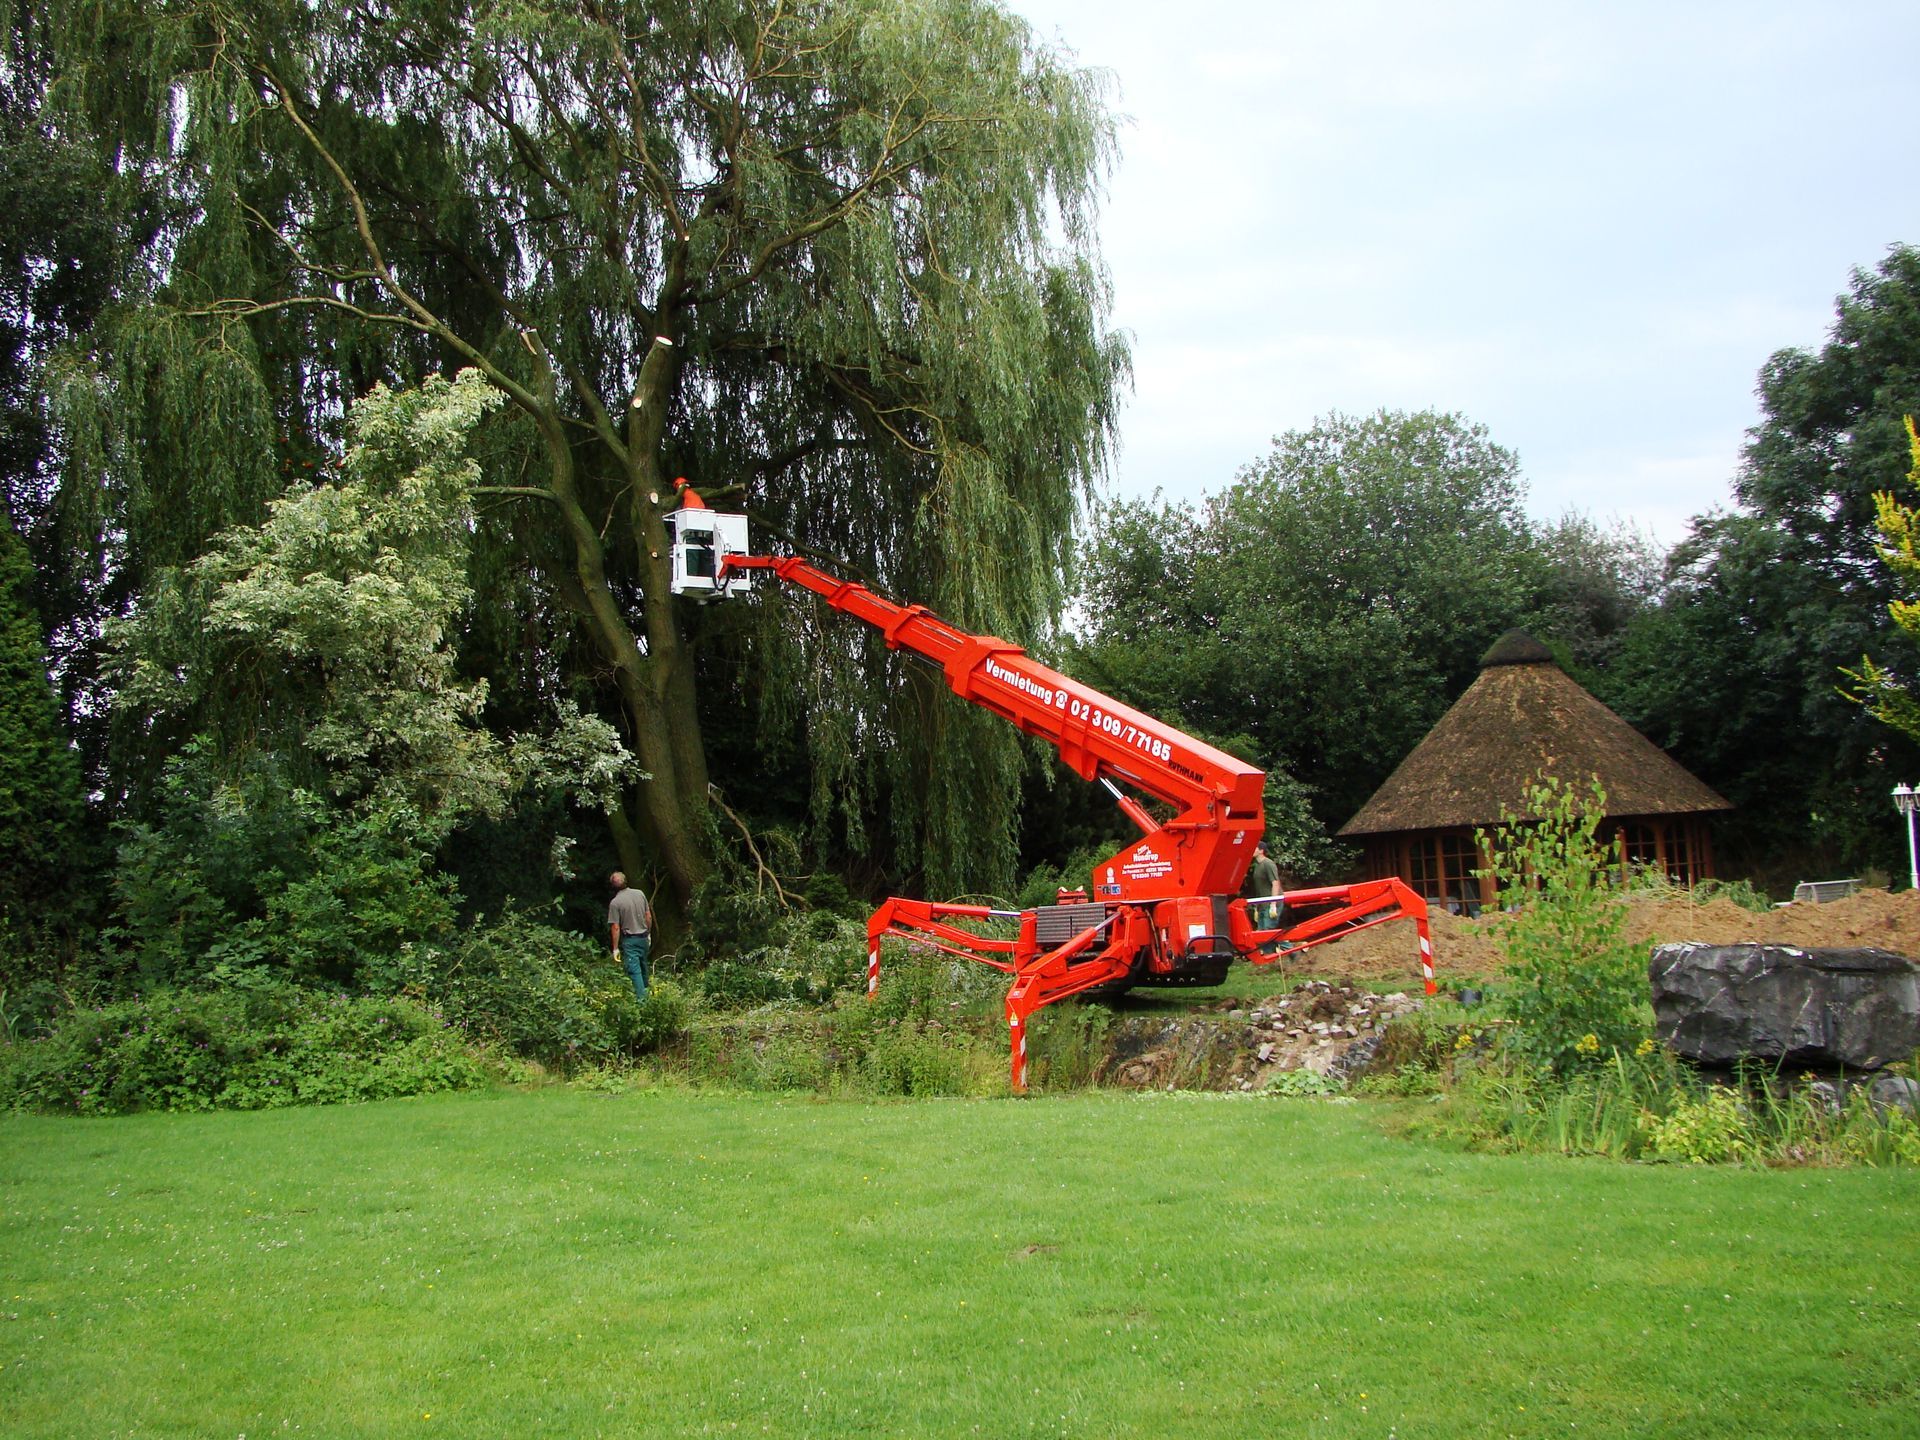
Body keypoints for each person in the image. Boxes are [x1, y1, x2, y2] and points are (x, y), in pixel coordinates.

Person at [608, 871, 653, 1002]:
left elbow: (616, 927)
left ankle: (642, 1001)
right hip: (644, 937)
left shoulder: (615, 903)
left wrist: (615, 948)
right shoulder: (640, 894)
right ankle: (648, 997)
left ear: (613, 886)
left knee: (635, 971)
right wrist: (648, 933)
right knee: (644, 967)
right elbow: (648, 916)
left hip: (630, 940)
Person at [1242, 840, 1280, 929]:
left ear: (1261, 851)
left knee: (1268, 930)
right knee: (1260, 931)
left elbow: (1275, 883)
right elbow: (1259, 887)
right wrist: (1257, 906)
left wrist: (1273, 904)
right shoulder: (1258, 866)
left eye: (1254, 848)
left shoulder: (1268, 864)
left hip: (1270, 903)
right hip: (1262, 904)